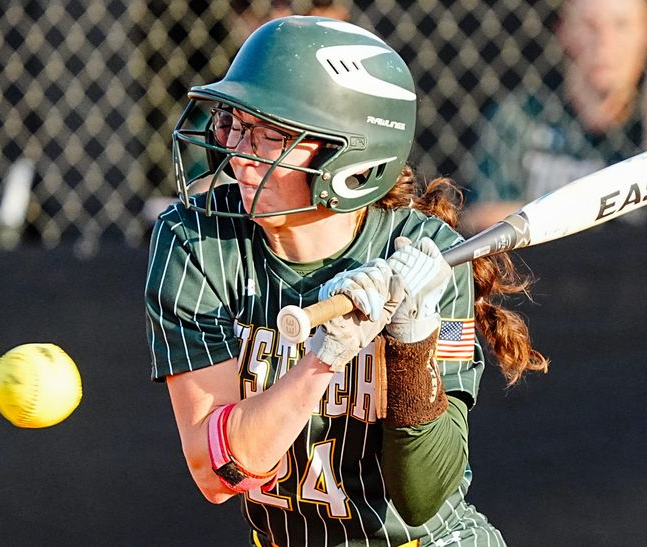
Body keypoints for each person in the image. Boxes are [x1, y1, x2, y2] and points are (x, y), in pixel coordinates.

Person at [145, 15, 546, 546]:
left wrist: (413, 341)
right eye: (236, 124)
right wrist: (321, 360)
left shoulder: (432, 259)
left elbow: (423, 494)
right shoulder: (198, 242)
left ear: (352, 160)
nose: (240, 154)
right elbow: (219, 474)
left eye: (272, 135)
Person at [462, 0, 647, 233]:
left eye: (621, 25)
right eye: (589, 25)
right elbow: (484, 221)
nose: (605, 42)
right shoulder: (522, 117)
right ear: (564, 32)